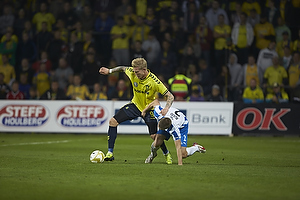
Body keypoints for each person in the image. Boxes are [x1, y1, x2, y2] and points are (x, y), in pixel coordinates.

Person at [99, 57, 174, 163]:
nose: (135, 74)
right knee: (112, 122)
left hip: (149, 109)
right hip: (135, 105)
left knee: (154, 136)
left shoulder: (154, 81)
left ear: (144, 70)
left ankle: (166, 153)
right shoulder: (132, 72)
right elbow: (122, 68)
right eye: (134, 71)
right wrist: (109, 71)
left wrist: (166, 108)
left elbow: (170, 96)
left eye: (137, 72)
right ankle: (110, 153)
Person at [141, 99, 206, 165]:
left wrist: (180, 164)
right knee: (157, 141)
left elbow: (178, 147)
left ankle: (196, 147)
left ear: (167, 128)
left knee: (183, 154)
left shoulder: (175, 129)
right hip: (170, 118)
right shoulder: (159, 112)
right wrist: (144, 110)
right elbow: (155, 101)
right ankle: (152, 155)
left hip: (182, 126)